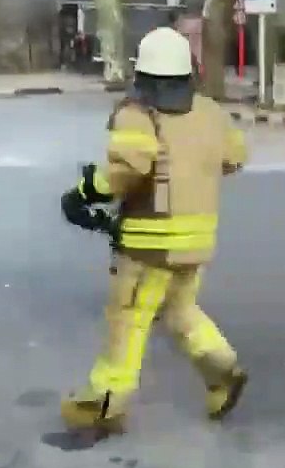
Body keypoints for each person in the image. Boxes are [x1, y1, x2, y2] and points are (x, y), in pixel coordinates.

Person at [58, 27, 249, 436]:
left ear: (142, 71)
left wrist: (85, 191)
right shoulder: (210, 112)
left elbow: (128, 171)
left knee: (127, 318)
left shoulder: (136, 113)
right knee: (180, 312)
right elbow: (235, 157)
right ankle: (223, 372)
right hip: (197, 241)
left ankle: (104, 403)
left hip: (149, 243)